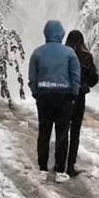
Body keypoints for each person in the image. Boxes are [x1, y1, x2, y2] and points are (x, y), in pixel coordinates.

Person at [28, 20, 81, 183]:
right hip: (64, 97)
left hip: (44, 96)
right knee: (62, 133)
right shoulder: (70, 53)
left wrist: (37, 92)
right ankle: (60, 171)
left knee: (44, 132)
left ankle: (42, 168)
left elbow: (32, 77)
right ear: (61, 34)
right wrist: (73, 94)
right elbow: (75, 76)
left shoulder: (37, 53)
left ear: (46, 33)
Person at [64, 30, 99, 177]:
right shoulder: (86, 57)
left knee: (62, 129)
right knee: (75, 131)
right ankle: (70, 165)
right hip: (79, 96)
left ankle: (59, 162)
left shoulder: (64, 55)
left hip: (64, 96)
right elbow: (94, 79)